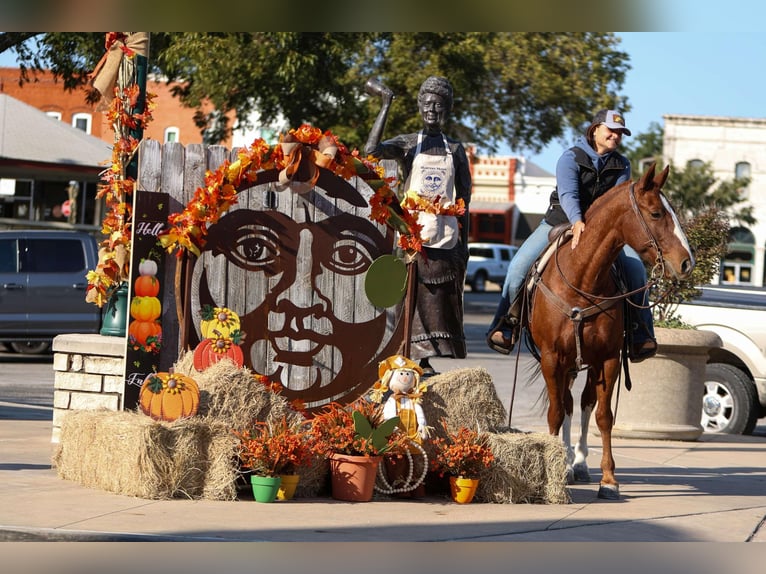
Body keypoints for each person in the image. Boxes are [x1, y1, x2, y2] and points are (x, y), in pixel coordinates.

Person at [487, 109, 658, 363]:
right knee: (516, 269)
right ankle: (506, 326)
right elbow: (569, 195)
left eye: (620, 133)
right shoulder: (570, 158)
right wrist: (577, 221)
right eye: (611, 130)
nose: (616, 136)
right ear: (595, 130)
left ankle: (640, 334)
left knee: (636, 271)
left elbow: (616, 202)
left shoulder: (622, 164)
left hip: (602, 233)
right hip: (558, 223)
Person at [364, 76, 472, 375]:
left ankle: (426, 359)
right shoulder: (409, 143)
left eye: (439, 104)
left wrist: (464, 248)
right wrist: (385, 104)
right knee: (407, 296)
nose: (432, 109)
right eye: (427, 103)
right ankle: (404, 354)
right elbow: (370, 151)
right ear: (419, 106)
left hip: (444, 237)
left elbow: (465, 200)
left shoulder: (456, 149)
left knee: (435, 299)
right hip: (412, 234)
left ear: (447, 110)